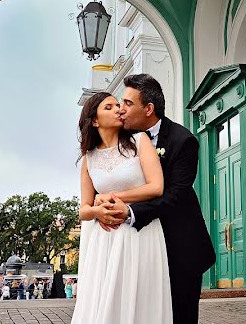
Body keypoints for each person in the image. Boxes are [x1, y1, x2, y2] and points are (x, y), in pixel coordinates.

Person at [107, 74, 217, 324]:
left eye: (127, 103)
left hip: (178, 246)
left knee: (180, 316)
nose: (121, 110)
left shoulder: (182, 141)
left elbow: (175, 194)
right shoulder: (122, 140)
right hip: (139, 245)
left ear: (148, 109)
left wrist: (131, 212)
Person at [70, 92, 171, 323]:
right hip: (104, 241)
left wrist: (108, 196)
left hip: (140, 234)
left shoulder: (140, 141)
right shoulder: (89, 158)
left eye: (119, 105)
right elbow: (84, 209)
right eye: (109, 107)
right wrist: (97, 211)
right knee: (107, 302)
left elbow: (156, 187)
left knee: (139, 299)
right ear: (94, 120)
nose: (118, 109)